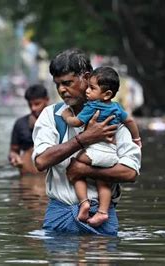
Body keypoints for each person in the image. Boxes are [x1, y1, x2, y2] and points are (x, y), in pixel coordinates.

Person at [32, 48, 141, 236]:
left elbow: (130, 172)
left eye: (67, 83)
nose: (62, 90)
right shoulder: (52, 115)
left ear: (86, 78)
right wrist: (84, 139)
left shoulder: (114, 116)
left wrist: (86, 170)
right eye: (58, 85)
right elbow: (41, 161)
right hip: (59, 216)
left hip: (102, 217)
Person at [61, 66, 142, 227]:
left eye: (92, 88)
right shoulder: (117, 108)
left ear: (107, 94)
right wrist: (137, 139)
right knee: (103, 180)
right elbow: (131, 121)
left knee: (74, 166)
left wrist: (67, 116)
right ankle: (103, 212)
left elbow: (77, 122)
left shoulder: (92, 107)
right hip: (111, 154)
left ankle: (84, 202)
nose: (87, 92)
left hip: (95, 152)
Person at [9, 84, 49, 176]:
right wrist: (14, 158)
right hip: (27, 175)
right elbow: (13, 151)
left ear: (46, 100)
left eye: (37, 104)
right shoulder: (20, 123)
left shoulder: (58, 121)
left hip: (50, 176)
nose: (33, 108)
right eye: (30, 104)